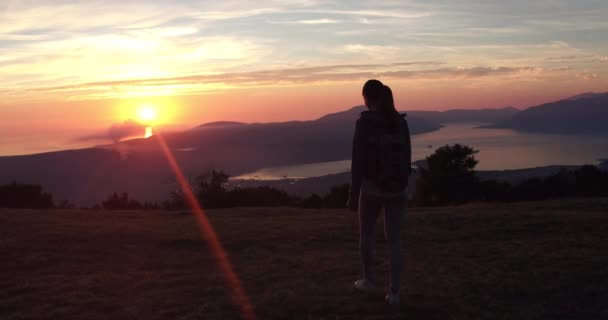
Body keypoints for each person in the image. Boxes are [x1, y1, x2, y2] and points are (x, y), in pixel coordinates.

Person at [347, 79, 412, 305]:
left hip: (373, 187)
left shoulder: (365, 124)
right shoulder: (400, 122)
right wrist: (403, 183)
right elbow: (407, 157)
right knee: (395, 240)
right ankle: (394, 292)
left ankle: (369, 280)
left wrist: (353, 194)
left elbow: (358, 162)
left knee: (366, 234)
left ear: (366, 98)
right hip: (398, 188)